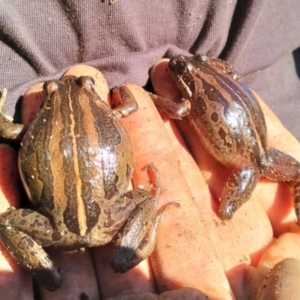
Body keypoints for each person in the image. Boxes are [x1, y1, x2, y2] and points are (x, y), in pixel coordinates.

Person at [0, 1, 300, 299]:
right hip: (107, 222)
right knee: (145, 196)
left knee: (8, 222)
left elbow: (7, 130)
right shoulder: (105, 113)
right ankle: (127, 252)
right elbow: (133, 105)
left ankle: (50, 275)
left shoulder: (37, 123)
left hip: (54, 229)